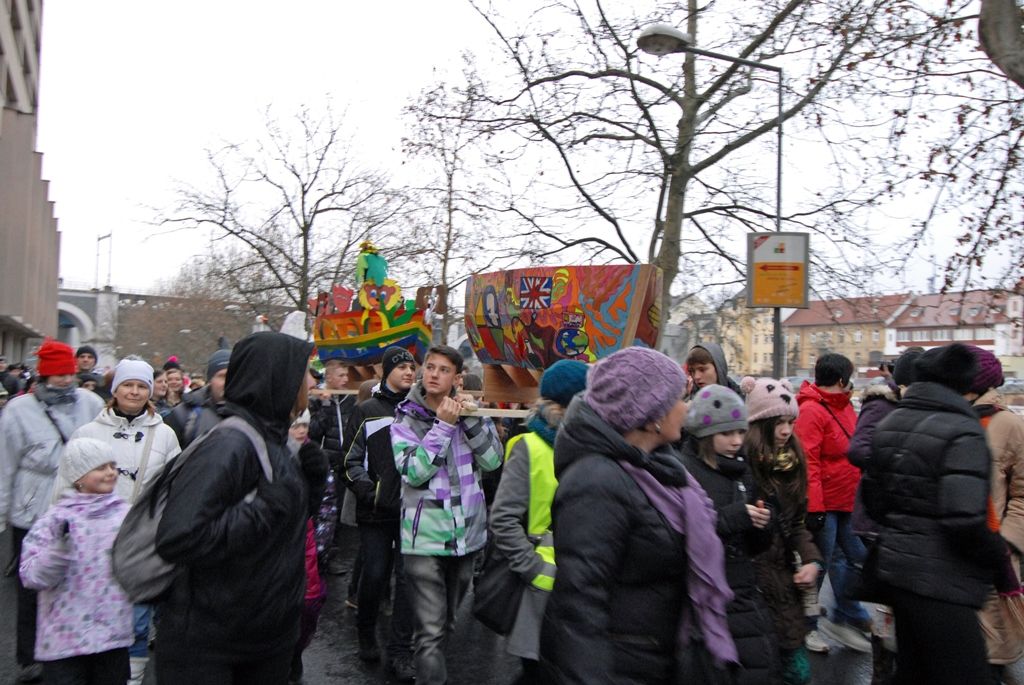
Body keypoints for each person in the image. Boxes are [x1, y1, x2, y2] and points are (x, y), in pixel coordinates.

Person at [540, 347, 737, 684]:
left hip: (656, 657)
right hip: (623, 667)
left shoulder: (661, 469)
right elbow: (579, 605)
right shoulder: (596, 481)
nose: (685, 407)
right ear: (650, 414)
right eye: (678, 398)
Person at [153, 331, 324, 684]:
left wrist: (312, 483)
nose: (309, 383)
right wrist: (264, 508)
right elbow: (180, 536)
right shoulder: (229, 443)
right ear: (275, 379)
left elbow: (280, 531)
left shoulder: (274, 439)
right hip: (212, 647)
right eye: (302, 373)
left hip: (262, 640)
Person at [861, 343, 1008, 684]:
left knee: (916, 672)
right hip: (943, 579)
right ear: (965, 385)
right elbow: (964, 520)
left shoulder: (893, 420)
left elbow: (873, 500)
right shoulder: (963, 430)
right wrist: (995, 552)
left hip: (896, 571)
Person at [391, 344, 503, 685]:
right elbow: (413, 472)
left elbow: (493, 461)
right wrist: (441, 427)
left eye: (443, 369)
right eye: (430, 367)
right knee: (430, 631)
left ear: (457, 378)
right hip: (423, 537)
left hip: (466, 536)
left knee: (447, 623)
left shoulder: (472, 414)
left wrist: (469, 422)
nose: (434, 374)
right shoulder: (405, 416)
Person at [0, 339, 105, 683]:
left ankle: (71, 650)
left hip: (80, 508)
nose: (64, 380)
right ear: (44, 375)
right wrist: (2, 513)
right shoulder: (17, 410)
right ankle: (29, 657)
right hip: (31, 510)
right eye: (57, 374)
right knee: (31, 588)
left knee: (77, 583)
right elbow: (5, 465)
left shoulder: (90, 403)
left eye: (68, 373)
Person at [70, 358, 181, 684]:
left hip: (143, 541)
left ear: (149, 390)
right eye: (127, 385)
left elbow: (173, 488)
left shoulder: (165, 435)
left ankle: (132, 678)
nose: (134, 391)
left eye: (141, 385)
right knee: (94, 617)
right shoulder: (87, 432)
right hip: (94, 539)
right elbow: (66, 484)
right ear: (115, 389)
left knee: (137, 621)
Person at [489, 359, 588, 683]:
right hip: (542, 587)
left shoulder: (589, 447)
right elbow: (503, 519)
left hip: (581, 583)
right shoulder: (528, 446)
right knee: (539, 673)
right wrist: (535, 569)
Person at [680, 384, 781, 684]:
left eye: (740, 432)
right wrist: (734, 518)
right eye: (727, 434)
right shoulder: (688, 473)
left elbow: (752, 545)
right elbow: (687, 536)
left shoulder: (741, 470)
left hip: (745, 586)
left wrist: (763, 524)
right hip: (711, 592)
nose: (737, 441)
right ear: (704, 435)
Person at [19, 437, 133, 685]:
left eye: (113, 466)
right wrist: (59, 552)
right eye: (100, 468)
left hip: (112, 633)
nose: (110, 473)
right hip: (64, 639)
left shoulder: (126, 515)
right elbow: (30, 575)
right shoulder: (55, 519)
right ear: (78, 477)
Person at [341, 346, 418, 681]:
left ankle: (401, 651)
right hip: (375, 512)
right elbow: (349, 460)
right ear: (387, 370)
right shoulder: (367, 410)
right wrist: (369, 491)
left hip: (412, 508)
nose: (409, 372)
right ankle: (366, 631)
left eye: (413, 367)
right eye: (402, 367)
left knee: (407, 580)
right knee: (373, 575)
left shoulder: (419, 410)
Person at [847, 348, 921, 683]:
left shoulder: (913, 406)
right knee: (887, 601)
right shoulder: (881, 403)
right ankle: (882, 671)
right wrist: (899, 462)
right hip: (879, 517)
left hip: (901, 516)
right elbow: (859, 449)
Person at [741, 376, 821, 685]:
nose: (787, 431)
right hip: (753, 582)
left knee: (797, 671)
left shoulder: (794, 461)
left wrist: (812, 560)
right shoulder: (743, 465)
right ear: (760, 425)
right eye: (778, 423)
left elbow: (797, 523)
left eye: (790, 421)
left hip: (784, 580)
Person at [793, 353, 870, 653]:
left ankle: (847, 613)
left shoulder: (845, 405)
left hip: (847, 499)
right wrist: (815, 507)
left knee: (853, 556)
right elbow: (808, 462)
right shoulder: (812, 410)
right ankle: (806, 626)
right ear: (841, 379)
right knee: (819, 565)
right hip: (824, 505)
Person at [966, 346, 1024, 682]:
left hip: (993, 554)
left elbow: (1021, 493)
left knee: (993, 656)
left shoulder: (1008, 424)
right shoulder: (947, 416)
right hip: (952, 555)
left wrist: (1008, 541)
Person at [309, 358, 357, 575]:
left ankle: (333, 552)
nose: (345, 380)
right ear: (328, 377)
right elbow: (315, 431)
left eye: (346, 376)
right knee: (325, 509)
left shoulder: (350, 399)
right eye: (340, 376)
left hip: (343, 461)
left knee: (338, 511)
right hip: (326, 461)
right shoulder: (318, 400)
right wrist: (325, 406)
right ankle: (321, 552)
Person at [165, 348, 230, 448]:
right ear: (210, 380)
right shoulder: (183, 414)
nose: (229, 381)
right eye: (222, 376)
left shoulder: (251, 411)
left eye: (233, 374)